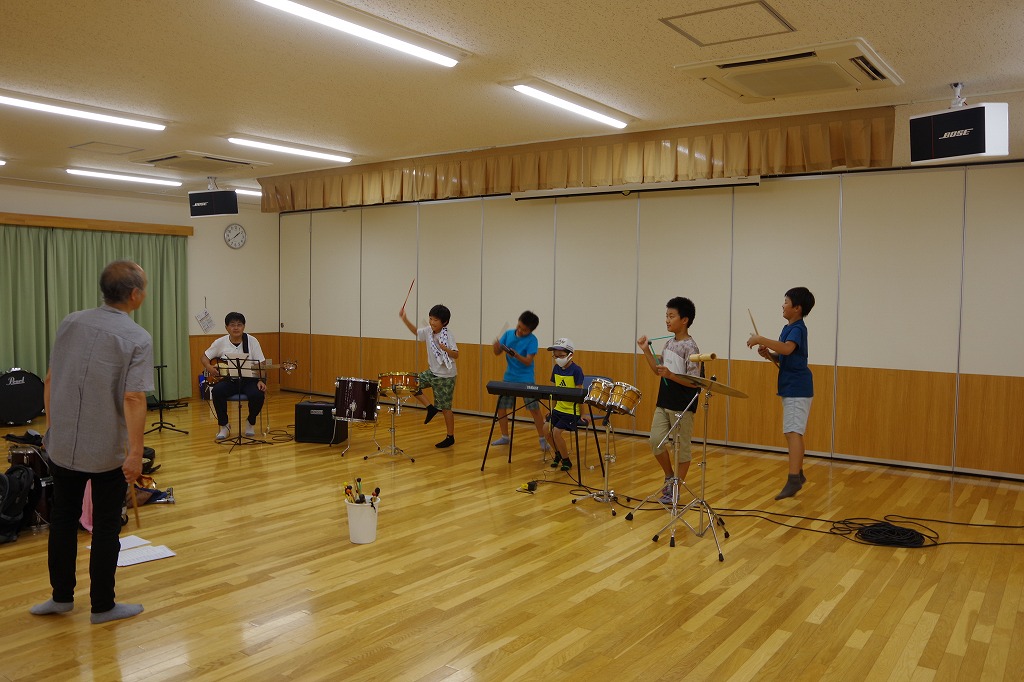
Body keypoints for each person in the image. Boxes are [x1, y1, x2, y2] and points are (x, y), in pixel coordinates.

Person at [31, 260, 152, 624]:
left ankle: (61, 598)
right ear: (135, 295)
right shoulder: (137, 337)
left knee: (63, 520)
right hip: (105, 451)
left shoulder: (71, 321)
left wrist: (52, 427)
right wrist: (135, 453)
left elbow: (51, 379)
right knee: (106, 526)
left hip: (63, 442)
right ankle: (102, 605)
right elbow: (133, 397)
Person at [746, 287, 815, 500]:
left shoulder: (798, 328)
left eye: (786, 302)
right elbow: (784, 355)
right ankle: (798, 474)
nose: (782, 305)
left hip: (797, 387)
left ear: (797, 308)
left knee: (793, 432)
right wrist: (769, 355)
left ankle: (794, 478)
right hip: (792, 386)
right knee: (792, 431)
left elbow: (787, 349)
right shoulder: (789, 328)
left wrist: (761, 339)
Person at [637, 297, 702, 504]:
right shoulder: (669, 343)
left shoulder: (691, 347)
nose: (667, 320)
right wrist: (645, 350)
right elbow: (658, 370)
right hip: (664, 402)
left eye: (671, 316)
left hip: (683, 405)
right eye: (666, 316)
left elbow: (694, 382)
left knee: (681, 450)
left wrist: (671, 375)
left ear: (684, 320)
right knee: (655, 441)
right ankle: (669, 477)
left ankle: (675, 489)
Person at [400, 304, 458, 448]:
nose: (432, 322)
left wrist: (445, 349)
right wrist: (405, 319)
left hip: (446, 376)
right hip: (432, 372)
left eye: (436, 320)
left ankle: (450, 437)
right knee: (412, 383)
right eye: (431, 319)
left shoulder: (448, 335)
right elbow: (416, 332)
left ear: (444, 322)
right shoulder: (428, 331)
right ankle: (430, 408)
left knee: (445, 408)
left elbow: (456, 354)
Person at [490, 311, 549, 453]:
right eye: (519, 326)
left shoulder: (532, 340)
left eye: (524, 330)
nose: (520, 331)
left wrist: (515, 354)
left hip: (526, 379)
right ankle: (505, 436)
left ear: (531, 330)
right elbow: (497, 353)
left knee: (534, 410)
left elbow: (528, 361)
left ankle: (543, 439)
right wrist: (496, 347)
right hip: (509, 377)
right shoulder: (508, 334)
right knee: (501, 408)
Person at [201, 312, 267, 440]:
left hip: (249, 380)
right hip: (229, 380)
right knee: (217, 392)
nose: (236, 328)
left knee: (258, 394)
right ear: (226, 327)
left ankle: (250, 421)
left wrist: (261, 380)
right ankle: (224, 425)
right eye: (232, 325)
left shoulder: (252, 341)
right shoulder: (220, 342)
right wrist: (209, 367)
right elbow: (204, 357)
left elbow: (261, 363)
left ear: (244, 327)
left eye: (239, 325)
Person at [545, 338, 584, 472]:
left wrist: (582, 414)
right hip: (558, 409)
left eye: (561, 356)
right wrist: (552, 409)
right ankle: (558, 454)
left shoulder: (576, 370)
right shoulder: (556, 368)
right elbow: (555, 391)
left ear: (570, 355)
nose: (558, 359)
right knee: (546, 429)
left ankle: (566, 460)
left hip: (571, 411)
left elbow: (580, 395)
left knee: (556, 432)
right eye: (555, 356)